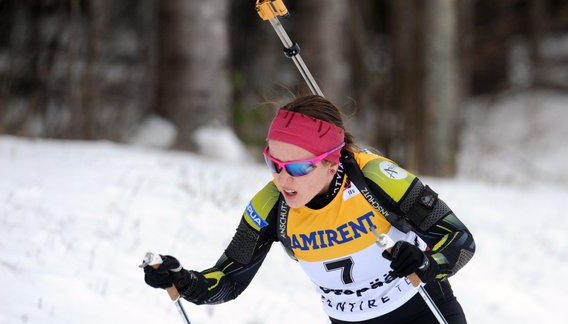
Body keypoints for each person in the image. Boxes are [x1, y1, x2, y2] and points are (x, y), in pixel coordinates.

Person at [143, 95, 476, 323]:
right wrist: (184, 281)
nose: (284, 179)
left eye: (299, 168)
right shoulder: (270, 205)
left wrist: (427, 263)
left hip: (422, 312)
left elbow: (459, 241)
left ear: (332, 164)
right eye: (273, 163)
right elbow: (228, 280)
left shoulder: (372, 178)